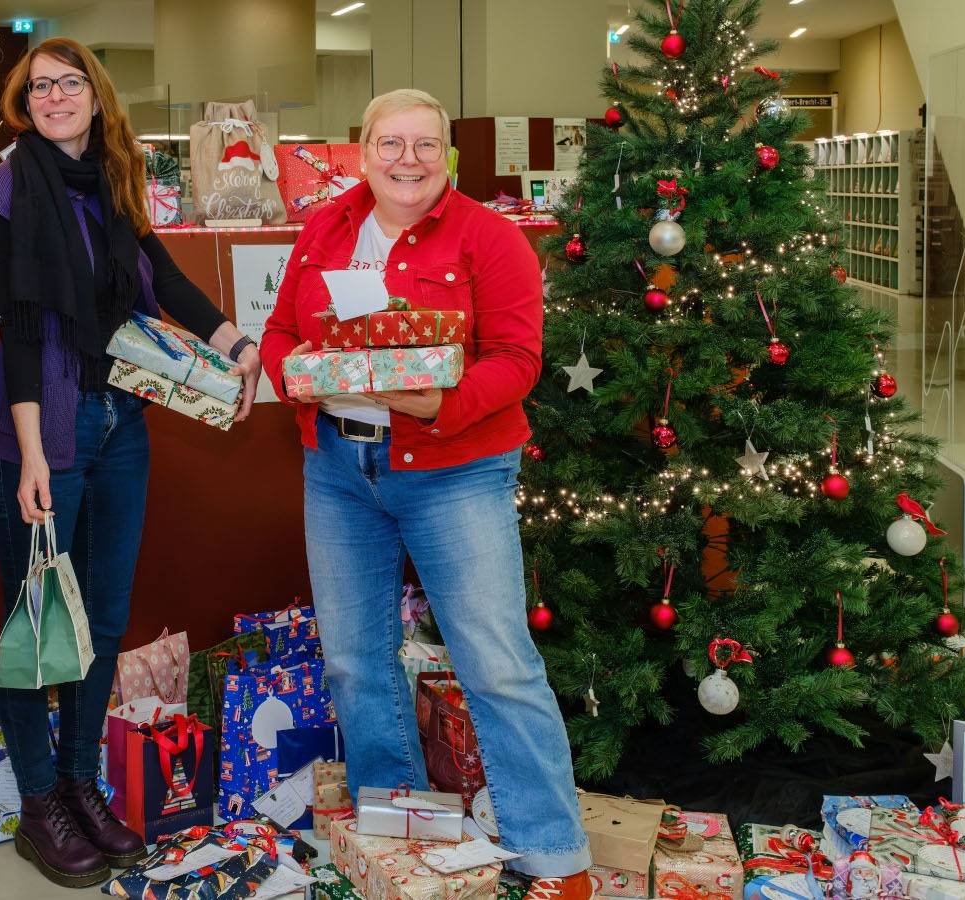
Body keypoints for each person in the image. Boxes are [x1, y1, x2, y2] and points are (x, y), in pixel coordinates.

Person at [258, 88, 595, 892]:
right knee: (354, 660)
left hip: (455, 472)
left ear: (447, 155)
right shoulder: (325, 228)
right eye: (390, 144)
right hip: (339, 470)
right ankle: (398, 834)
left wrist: (439, 405)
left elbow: (518, 360)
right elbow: (280, 331)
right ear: (363, 151)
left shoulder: (491, 237)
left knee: (497, 663)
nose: (406, 160)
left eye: (424, 145)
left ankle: (553, 853)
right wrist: (291, 371)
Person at [0, 36, 263, 889]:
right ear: (23, 104)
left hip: (118, 425)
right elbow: (20, 330)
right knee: (37, 628)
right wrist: (32, 454)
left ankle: (80, 784)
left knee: (100, 621)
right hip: (39, 437)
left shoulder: (113, 182)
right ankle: (39, 805)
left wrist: (236, 343)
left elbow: (162, 279)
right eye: (39, 86)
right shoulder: (1, 194)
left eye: (71, 83)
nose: (55, 96)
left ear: (96, 97)